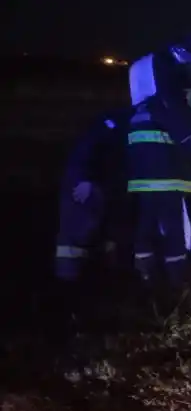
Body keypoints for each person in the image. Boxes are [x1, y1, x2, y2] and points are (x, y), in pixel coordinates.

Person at [127, 91, 191, 290]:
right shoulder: (168, 109)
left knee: (145, 229)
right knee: (173, 231)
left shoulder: (139, 112)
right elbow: (190, 142)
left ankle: (145, 276)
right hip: (166, 182)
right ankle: (177, 280)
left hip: (143, 184)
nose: (189, 97)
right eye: (187, 93)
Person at [54, 108, 130, 285]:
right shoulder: (105, 133)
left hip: (100, 195)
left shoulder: (108, 134)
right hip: (91, 193)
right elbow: (85, 153)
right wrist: (86, 180)